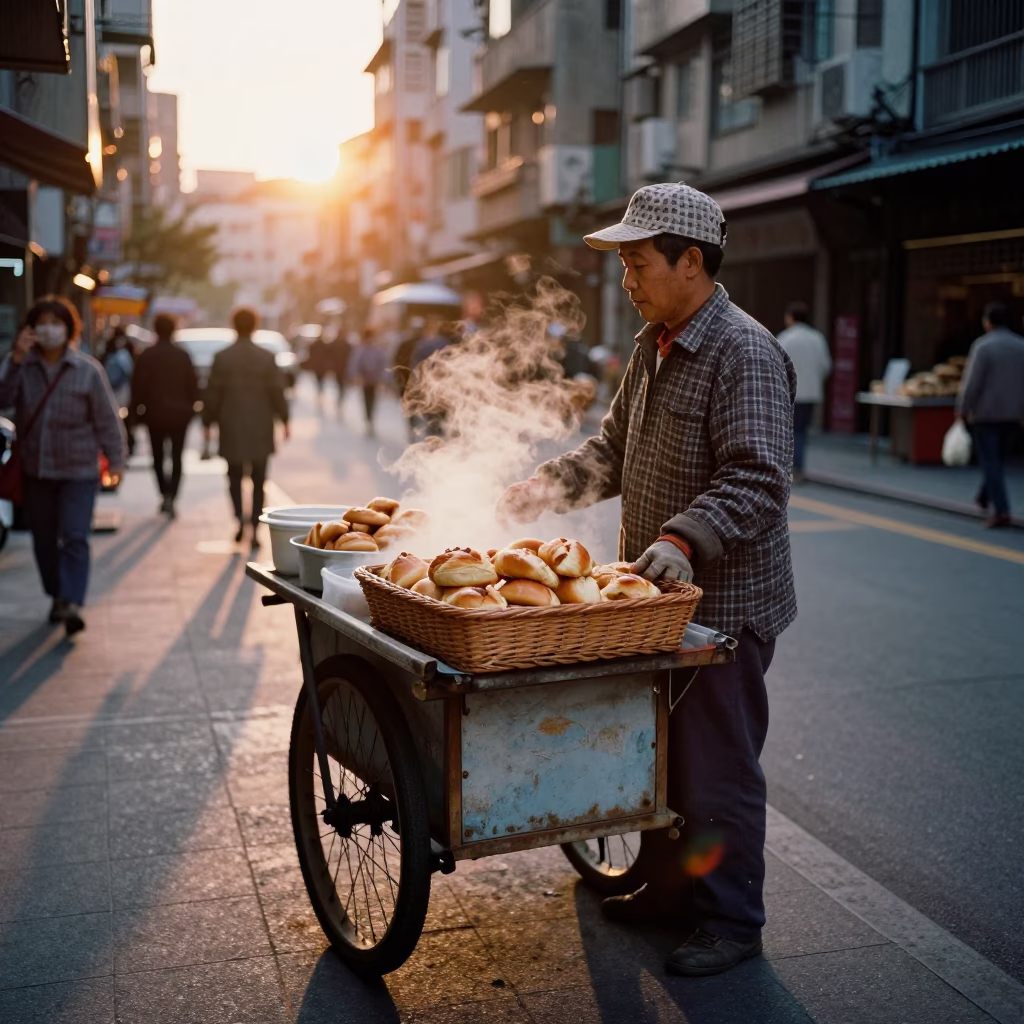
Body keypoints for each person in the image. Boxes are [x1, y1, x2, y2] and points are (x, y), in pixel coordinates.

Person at [497, 183, 796, 978]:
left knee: (717, 770)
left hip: (724, 609)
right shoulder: (653, 343)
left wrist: (684, 537)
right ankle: (668, 891)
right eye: (623, 265)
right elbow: (612, 452)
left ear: (690, 262)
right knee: (660, 761)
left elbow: (758, 481)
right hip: (656, 608)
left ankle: (731, 921)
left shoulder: (745, 350)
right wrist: (543, 490)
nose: (626, 281)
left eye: (637, 264)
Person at [0, 296, 127, 635]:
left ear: (69, 329)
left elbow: (107, 420)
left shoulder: (87, 370)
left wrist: (116, 461)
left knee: (74, 536)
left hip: (79, 471)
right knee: (44, 540)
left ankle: (71, 601)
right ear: (31, 329)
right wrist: (15, 358)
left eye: (56, 323)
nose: (49, 329)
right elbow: (3, 400)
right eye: (42, 322)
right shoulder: (21, 368)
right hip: (36, 470)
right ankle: (57, 594)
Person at [202, 307, 289, 545]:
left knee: (234, 475)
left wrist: (207, 422)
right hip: (261, 425)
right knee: (260, 479)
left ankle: (240, 518)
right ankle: (255, 524)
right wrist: (285, 419)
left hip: (230, 424)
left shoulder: (222, 357)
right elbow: (276, 392)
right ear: (255, 326)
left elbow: (213, 393)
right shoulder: (266, 357)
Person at [957, 301, 1024, 528]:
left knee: (990, 462)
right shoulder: (1020, 346)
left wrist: (963, 408)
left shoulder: (983, 346)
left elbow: (972, 383)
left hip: (986, 414)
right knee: (997, 461)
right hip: (1014, 414)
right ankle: (984, 497)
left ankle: (1002, 510)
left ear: (988, 322)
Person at [130, 313, 199, 518]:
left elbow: (137, 387)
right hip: (180, 415)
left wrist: (135, 414)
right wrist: (192, 408)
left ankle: (164, 493)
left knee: (158, 455)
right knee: (177, 456)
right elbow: (193, 386)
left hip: (154, 415)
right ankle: (173, 495)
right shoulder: (183, 355)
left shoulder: (147, 355)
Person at [775, 301, 831, 482]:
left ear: (790, 317)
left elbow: (775, 366)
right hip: (811, 392)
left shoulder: (785, 338)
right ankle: (798, 468)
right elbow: (826, 366)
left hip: (789, 392)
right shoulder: (817, 338)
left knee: (787, 432)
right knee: (801, 431)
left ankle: (792, 468)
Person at [348, 328, 388, 437]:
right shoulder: (361, 349)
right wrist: (355, 376)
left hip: (375, 378)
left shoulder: (378, 349)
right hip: (364, 379)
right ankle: (368, 420)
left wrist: (383, 378)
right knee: (366, 400)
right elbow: (354, 363)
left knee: (373, 400)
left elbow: (383, 363)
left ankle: (371, 419)